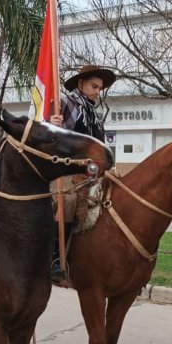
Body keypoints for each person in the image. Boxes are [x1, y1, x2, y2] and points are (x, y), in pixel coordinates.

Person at [48, 65, 116, 284]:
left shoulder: (93, 114)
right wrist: (51, 125)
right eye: (94, 86)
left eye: (100, 88)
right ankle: (56, 258)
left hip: (91, 171)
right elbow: (49, 139)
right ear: (80, 84)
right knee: (68, 200)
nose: (97, 92)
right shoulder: (64, 103)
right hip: (65, 168)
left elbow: (99, 146)